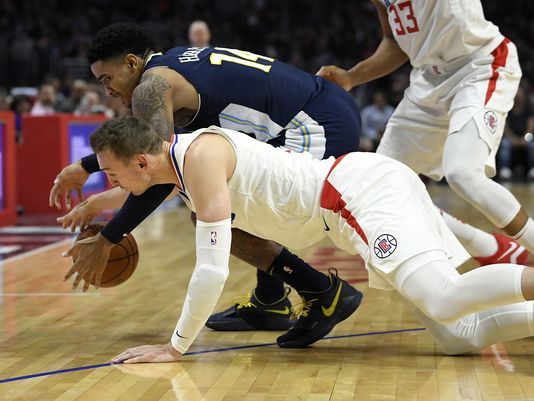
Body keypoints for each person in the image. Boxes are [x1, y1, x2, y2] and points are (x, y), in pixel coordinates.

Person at [65, 115, 534, 363]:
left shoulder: (202, 159)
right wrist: (95, 204)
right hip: (355, 198)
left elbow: (211, 268)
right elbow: (132, 190)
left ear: (141, 162)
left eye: (110, 173)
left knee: (445, 299)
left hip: (357, 195)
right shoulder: (174, 164)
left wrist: (175, 347)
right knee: (458, 337)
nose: (109, 181)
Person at [50, 23, 362, 333]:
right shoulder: (172, 65)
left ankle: (322, 292)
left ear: (131, 63)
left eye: (107, 78)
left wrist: (109, 238)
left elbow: (160, 172)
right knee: (216, 196)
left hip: (315, 125)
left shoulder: (150, 90)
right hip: (326, 109)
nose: (107, 90)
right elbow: (154, 156)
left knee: (209, 211)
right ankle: (270, 301)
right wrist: (89, 170)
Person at [318, 0, 533, 267]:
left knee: (463, 173)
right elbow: (395, 41)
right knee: (381, 188)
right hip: (428, 80)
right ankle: (490, 248)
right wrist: (352, 77)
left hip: (478, 65)